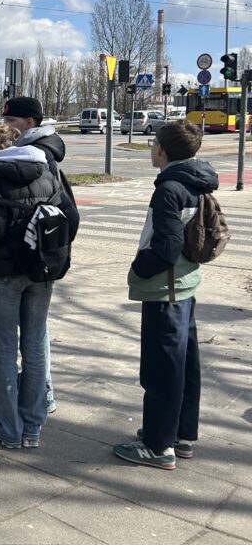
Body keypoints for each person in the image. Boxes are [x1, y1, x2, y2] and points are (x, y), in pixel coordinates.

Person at [113, 121, 216, 470]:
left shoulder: (169, 188)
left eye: (154, 142)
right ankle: (181, 434)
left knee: (161, 370)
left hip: (164, 289)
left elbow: (167, 245)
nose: (152, 147)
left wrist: (140, 267)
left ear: (163, 150)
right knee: (185, 365)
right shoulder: (195, 181)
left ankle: (158, 446)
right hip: (185, 286)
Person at [0, 123, 58, 450]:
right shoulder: (46, 168)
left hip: (5, 272)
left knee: (5, 350)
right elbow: (67, 219)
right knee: (34, 348)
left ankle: (8, 428)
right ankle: (32, 429)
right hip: (41, 268)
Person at [3, 96, 79, 414]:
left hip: (36, 257)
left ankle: (43, 390)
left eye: (11, 122)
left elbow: (62, 210)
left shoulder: (39, 155)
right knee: (36, 330)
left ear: (29, 123)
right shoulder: (43, 148)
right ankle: (39, 386)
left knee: (35, 333)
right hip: (43, 255)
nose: (5, 127)